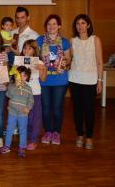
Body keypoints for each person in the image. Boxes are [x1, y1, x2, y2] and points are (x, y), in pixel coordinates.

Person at [69, 14, 103, 150]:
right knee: (77, 109)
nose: (80, 26)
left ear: (88, 25)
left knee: (89, 110)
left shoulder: (95, 40)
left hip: (90, 80)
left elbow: (100, 62)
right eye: (78, 24)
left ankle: (89, 137)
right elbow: (68, 59)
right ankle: (79, 134)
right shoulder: (72, 41)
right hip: (75, 79)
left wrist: (100, 81)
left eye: (83, 23)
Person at [37, 14, 71, 146]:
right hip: (44, 79)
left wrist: (64, 66)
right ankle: (48, 131)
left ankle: (56, 132)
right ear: (46, 26)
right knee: (45, 108)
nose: (52, 26)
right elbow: (36, 57)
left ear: (59, 26)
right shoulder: (40, 40)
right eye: (49, 24)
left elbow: (68, 60)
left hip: (60, 80)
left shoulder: (64, 42)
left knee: (57, 108)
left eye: (54, 24)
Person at [18, 40, 47, 151]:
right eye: (25, 48)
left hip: (35, 93)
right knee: (24, 117)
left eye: (29, 48)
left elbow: (43, 79)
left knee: (35, 118)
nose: (26, 50)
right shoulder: (19, 61)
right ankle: (24, 138)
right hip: (22, 94)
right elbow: (16, 79)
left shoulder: (39, 62)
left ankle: (33, 139)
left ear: (34, 50)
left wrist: (43, 69)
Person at [0, 66, 34, 158]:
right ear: (15, 77)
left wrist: (28, 108)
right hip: (12, 111)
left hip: (23, 113)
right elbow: (8, 94)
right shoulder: (11, 86)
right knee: (9, 129)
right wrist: (16, 87)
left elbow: (31, 100)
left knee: (23, 130)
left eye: (22, 76)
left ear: (26, 77)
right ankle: (7, 146)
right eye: (17, 76)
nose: (20, 78)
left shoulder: (28, 88)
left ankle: (22, 147)